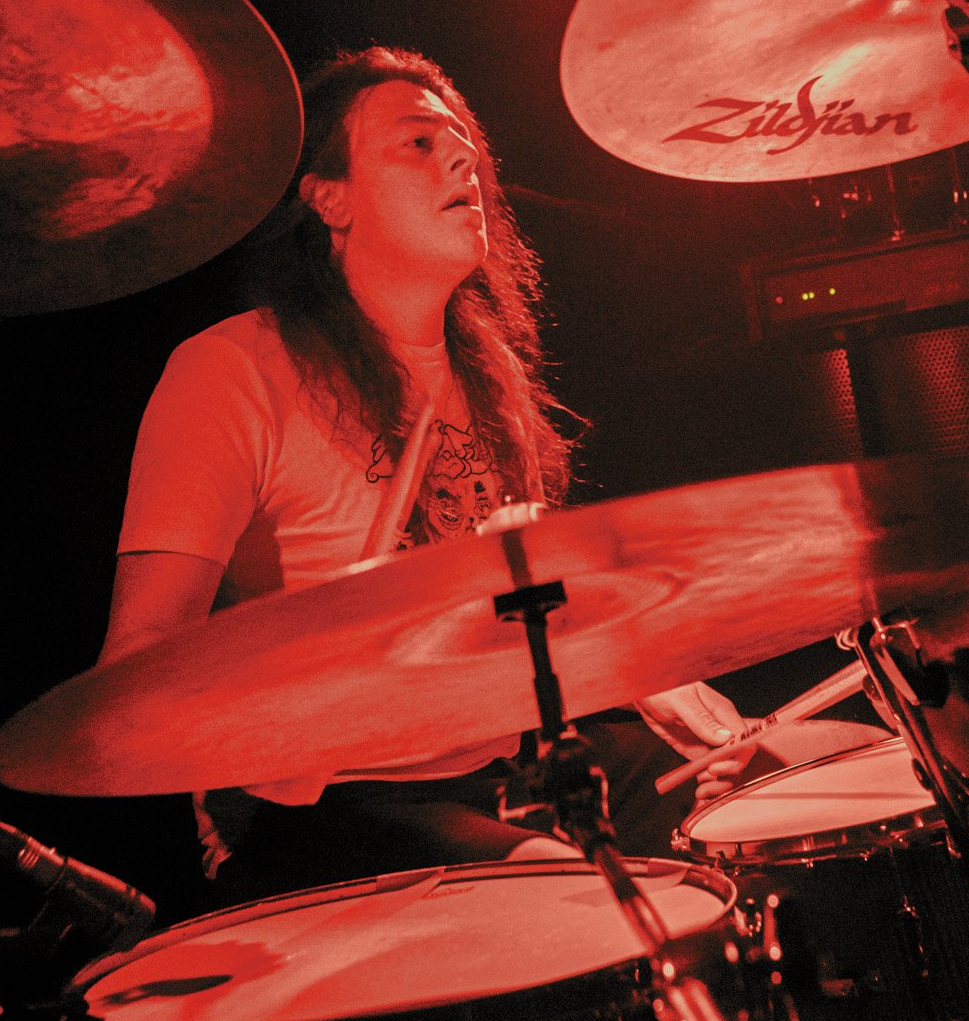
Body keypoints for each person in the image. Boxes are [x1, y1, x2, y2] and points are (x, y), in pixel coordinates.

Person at [99, 44, 751, 898]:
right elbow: (139, 655)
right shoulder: (230, 372)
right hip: (322, 807)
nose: (460, 160)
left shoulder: (487, 377)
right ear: (328, 198)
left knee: (767, 795)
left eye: (463, 145)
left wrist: (652, 681)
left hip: (500, 772)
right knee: (576, 895)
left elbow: (525, 614)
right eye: (416, 143)